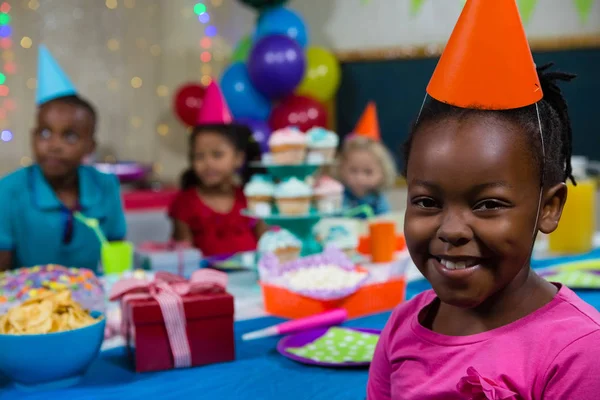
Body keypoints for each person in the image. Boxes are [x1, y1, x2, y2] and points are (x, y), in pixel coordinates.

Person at [367, 1, 600, 399]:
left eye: (488, 204)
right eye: (426, 201)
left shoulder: (578, 351)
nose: (451, 230)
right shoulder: (402, 326)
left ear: (549, 207)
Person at [0, 46, 126, 272]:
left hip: (90, 301)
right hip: (26, 303)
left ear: (90, 146)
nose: (54, 145)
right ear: (33, 137)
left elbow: (116, 259)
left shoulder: (105, 187)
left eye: (69, 136)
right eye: (45, 133)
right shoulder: (9, 191)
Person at [169, 82, 266, 257]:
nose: (208, 163)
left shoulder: (249, 200)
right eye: (199, 156)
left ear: (238, 158)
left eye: (217, 154)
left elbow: (267, 246)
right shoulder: (186, 204)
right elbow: (183, 258)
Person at [338, 103, 397, 218]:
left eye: (368, 172)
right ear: (341, 168)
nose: (360, 178)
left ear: (383, 173)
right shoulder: (338, 197)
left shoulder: (378, 201)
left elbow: (384, 223)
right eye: (353, 170)